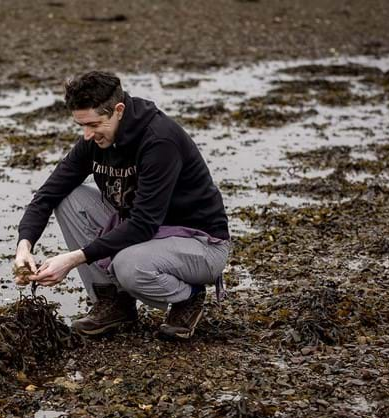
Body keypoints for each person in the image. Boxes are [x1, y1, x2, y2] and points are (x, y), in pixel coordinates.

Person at [14, 71, 231, 339]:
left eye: (93, 124)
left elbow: (143, 224)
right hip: (149, 232)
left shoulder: (159, 140)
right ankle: (114, 303)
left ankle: (189, 296)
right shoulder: (94, 140)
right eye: (81, 125)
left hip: (201, 244)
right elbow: (48, 194)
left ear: (118, 110)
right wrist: (25, 245)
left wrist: (71, 260)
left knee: (129, 265)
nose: (87, 135)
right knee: (69, 198)